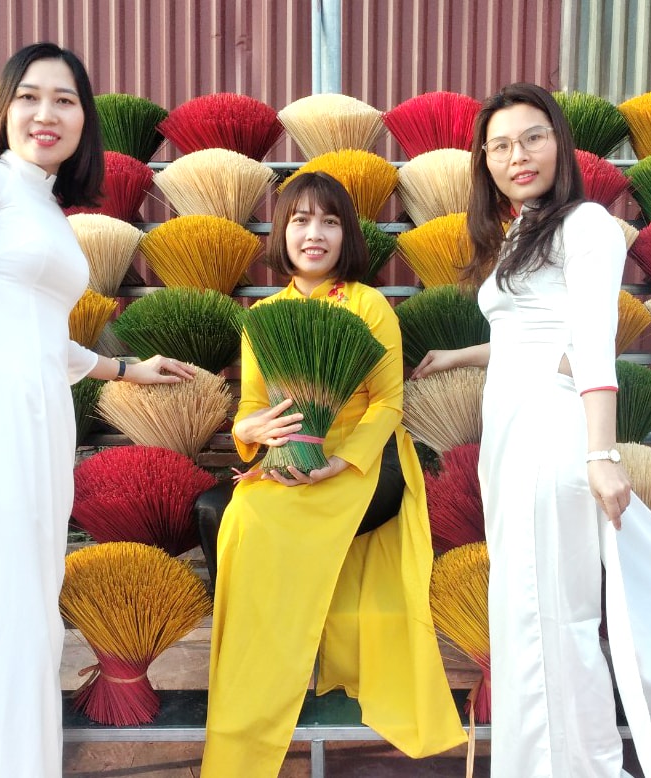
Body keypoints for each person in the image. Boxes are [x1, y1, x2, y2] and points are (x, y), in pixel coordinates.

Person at [411, 83, 651, 777]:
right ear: (485, 161)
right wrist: (462, 354)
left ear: (560, 144)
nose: (518, 155)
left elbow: (592, 345)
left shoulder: (584, 223)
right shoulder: (520, 231)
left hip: (553, 430)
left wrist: (600, 453)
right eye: (500, 145)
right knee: (522, 610)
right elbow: (533, 334)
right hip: (509, 430)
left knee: (553, 617)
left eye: (532, 137)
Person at [0, 43, 194, 778]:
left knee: (26, 612)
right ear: (3, 107)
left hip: (41, 427)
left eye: (65, 100)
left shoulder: (49, 209)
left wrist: (122, 367)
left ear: (85, 120)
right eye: (29, 96)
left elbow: (43, 335)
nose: (46, 113)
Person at [201, 171, 467, 776]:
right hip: (289, 453)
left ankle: (287, 668)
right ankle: (262, 676)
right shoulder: (263, 316)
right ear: (283, 232)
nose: (313, 234)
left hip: (366, 461)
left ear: (345, 234)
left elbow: (389, 403)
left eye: (329, 221)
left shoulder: (369, 304)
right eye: (300, 220)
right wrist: (252, 435)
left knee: (258, 514)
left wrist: (339, 461)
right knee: (235, 512)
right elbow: (249, 409)